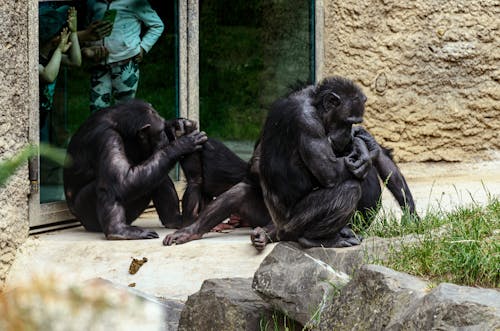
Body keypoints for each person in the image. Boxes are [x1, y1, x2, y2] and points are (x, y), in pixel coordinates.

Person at [85, 0, 164, 112]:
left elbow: (157, 25)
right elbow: (88, 28)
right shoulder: (93, 3)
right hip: (99, 65)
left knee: (124, 110)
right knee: (97, 109)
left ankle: (123, 129)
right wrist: (89, 47)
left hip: (126, 65)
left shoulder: (135, 2)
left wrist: (143, 47)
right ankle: (102, 129)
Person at [39, 5, 82, 138]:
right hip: (32, 117)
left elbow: (75, 61)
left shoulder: (51, 55)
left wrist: (74, 33)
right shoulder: (33, 59)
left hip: (44, 115)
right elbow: (48, 76)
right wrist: (59, 50)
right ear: (56, 39)